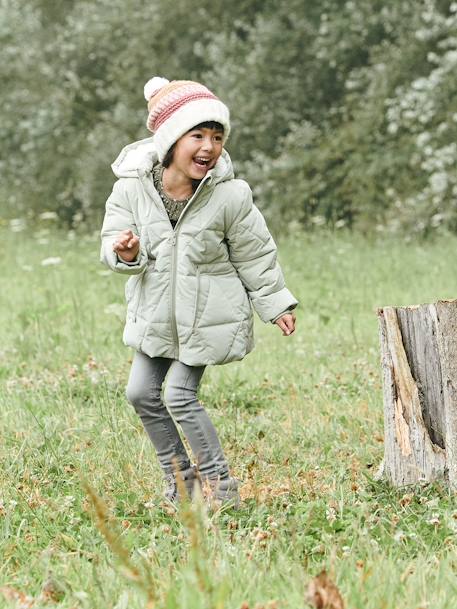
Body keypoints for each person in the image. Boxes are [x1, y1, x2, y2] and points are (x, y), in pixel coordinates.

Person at [100, 77, 298, 509]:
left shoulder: (229, 196)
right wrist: (127, 252)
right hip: (155, 313)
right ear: (171, 139)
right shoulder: (131, 188)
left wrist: (275, 302)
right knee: (139, 393)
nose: (209, 147)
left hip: (207, 315)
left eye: (217, 137)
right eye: (198, 136)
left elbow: (254, 253)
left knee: (178, 395)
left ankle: (222, 491)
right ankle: (181, 483)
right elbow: (112, 241)